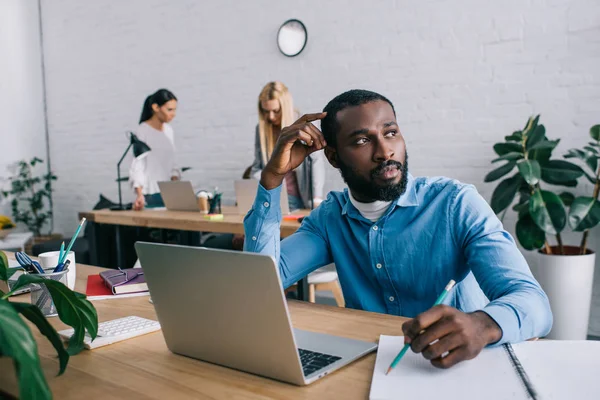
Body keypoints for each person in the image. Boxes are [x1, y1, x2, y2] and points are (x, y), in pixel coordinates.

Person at [243, 89, 552, 369]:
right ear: (334, 157)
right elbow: (260, 283)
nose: (384, 151)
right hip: (371, 366)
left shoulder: (456, 204)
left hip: (460, 368)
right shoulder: (330, 218)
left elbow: (534, 304)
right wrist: (272, 179)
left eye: (390, 133)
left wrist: (482, 324)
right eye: (362, 140)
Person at [250, 81, 325, 210]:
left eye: (276, 111)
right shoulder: (261, 130)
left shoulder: (302, 126)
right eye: (266, 111)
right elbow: (257, 167)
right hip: (273, 195)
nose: (271, 117)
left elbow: (316, 162)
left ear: (285, 106)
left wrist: (317, 198)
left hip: (298, 198)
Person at [129, 89, 179, 210]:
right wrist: (139, 195)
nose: (174, 114)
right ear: (156, 107)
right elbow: (138, 165)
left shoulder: (169, 131)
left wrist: (176, 186)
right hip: (150, 194)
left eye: (175, 110)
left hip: (169, 194)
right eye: (169, 110)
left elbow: (173, 163)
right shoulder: (143, 130)